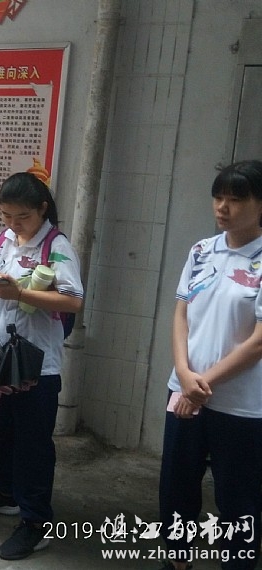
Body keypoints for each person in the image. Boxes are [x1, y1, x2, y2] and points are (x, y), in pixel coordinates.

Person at [0, 172, 84, 561]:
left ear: (42, 209)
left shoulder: (56, 246)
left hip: (36, 363)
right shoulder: (2, 241)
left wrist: (20, 292)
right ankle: (4, 493)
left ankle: (35, 521)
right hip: (0, 356)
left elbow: (73, 301)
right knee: (2, 429)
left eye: (22, 217)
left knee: (33, 443)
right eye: (7, 216)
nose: (14, 224)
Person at [158, 160, 262, 570]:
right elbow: (181, 313)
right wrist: (184, 375)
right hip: (183, 391)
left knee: (238, 498)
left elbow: (258, 342)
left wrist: (201, 385)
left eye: (235, 199)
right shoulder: (202, 250)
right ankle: (177, 561)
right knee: (176, 485)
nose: (222, 207)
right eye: (218, 197)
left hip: (239, 405)